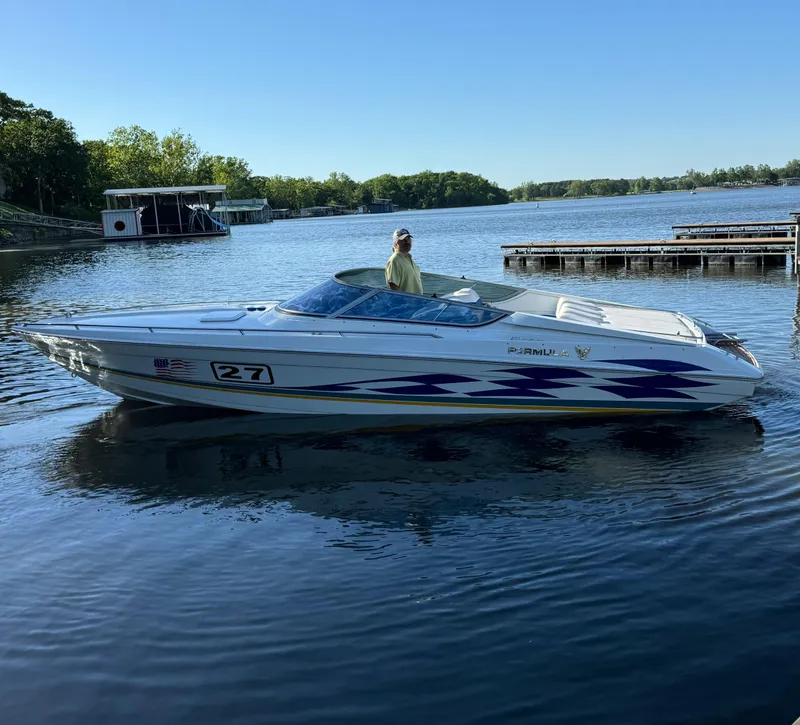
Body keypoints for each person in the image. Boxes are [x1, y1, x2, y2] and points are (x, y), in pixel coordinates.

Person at [385, 228, 423, 294]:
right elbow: (394, 288)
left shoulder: (409, 258)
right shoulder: (394, 261)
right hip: (406, 303)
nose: (407, 242)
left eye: (408, 239)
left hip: (417, 302)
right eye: (403, 240)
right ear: (395, 244)